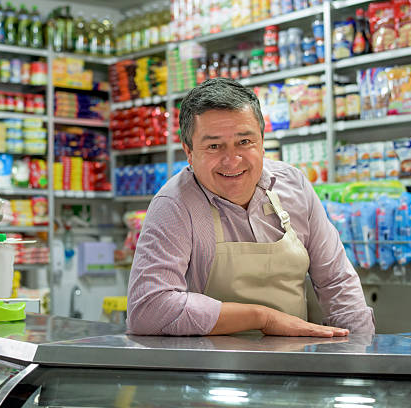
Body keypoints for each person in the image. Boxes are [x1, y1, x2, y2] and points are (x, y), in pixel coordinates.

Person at [126, 78, 375, 337]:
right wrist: (262, 318)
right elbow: (148, 309)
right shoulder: (174, 205)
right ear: (189, 152)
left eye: (245, 142)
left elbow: (337, 282)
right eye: (214, 146)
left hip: (294, 365)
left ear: (262, 140)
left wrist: (360, 352)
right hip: (207, 370)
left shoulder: (294, 186)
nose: (232, 160)